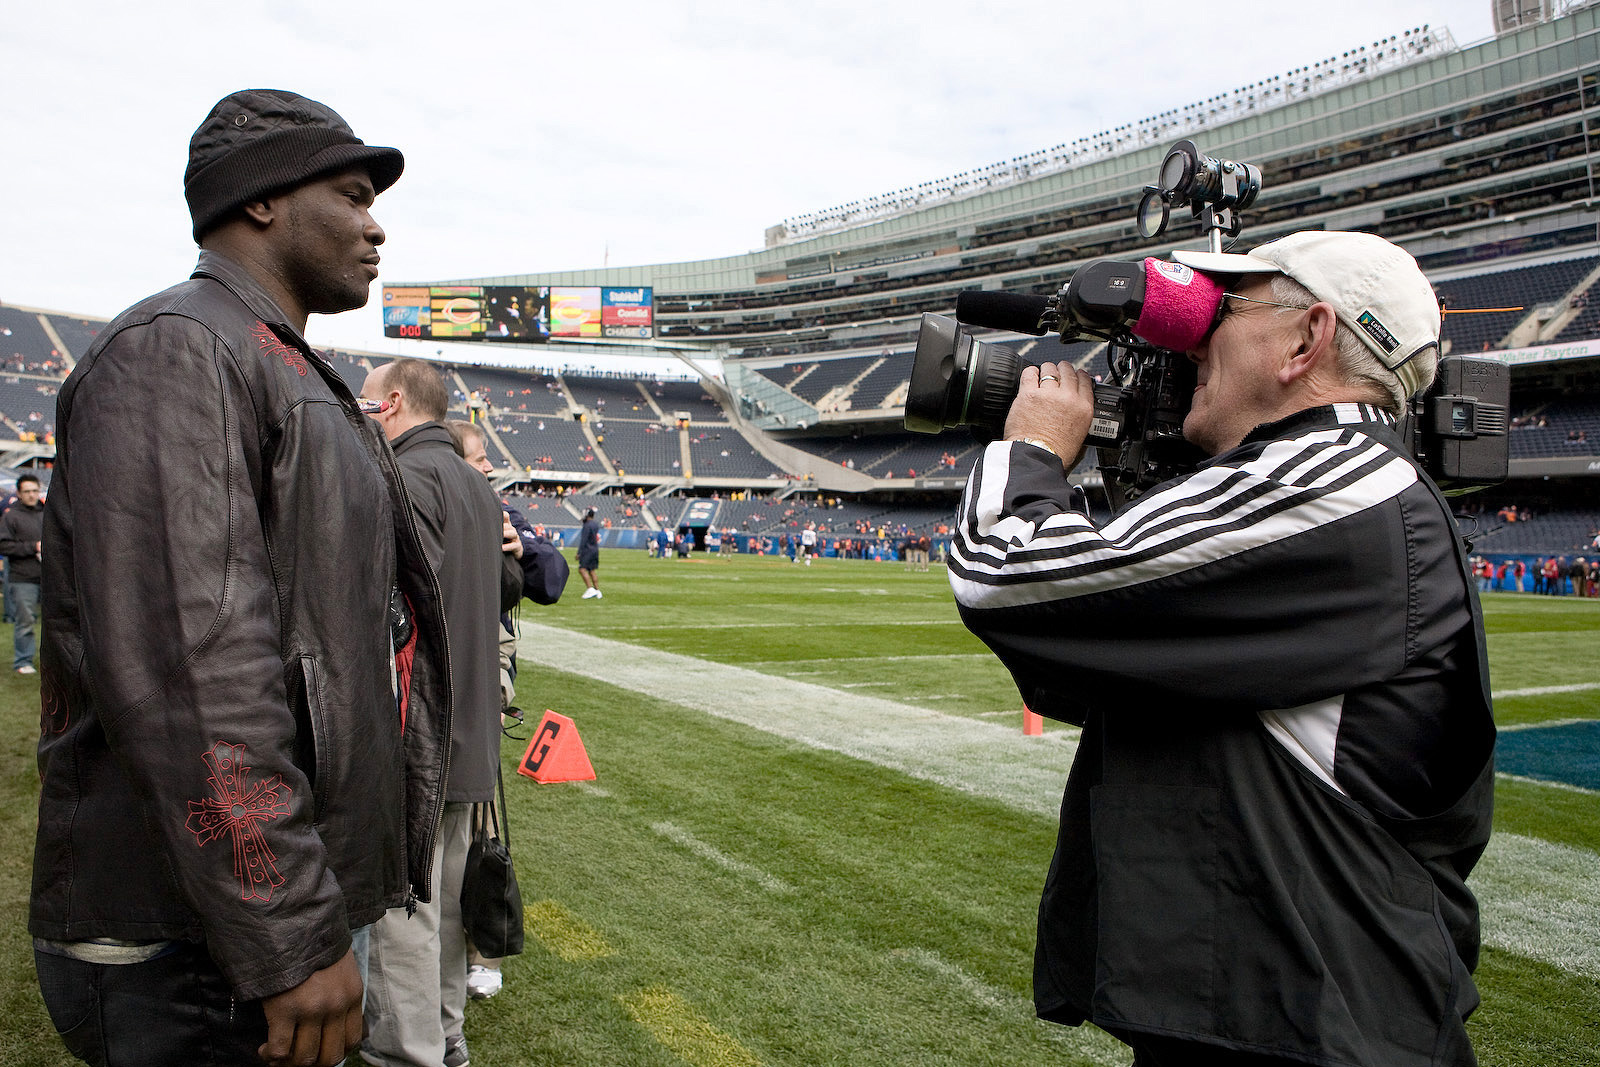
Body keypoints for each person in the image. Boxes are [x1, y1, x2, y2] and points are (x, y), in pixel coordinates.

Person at [948, 231, 1495, 1066]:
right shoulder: (1332, 479)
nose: (1196, 340)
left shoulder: (1331, 479)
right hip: (1287, 1010)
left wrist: (1031, 449)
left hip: (1323, 1021)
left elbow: (1002, 572)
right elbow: (1100, 671)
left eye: (1223, 311)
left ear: (1306, 340)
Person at [32, 89, 452, 1067]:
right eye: (351, 193)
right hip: (201, 937)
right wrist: (288, 924)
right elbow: (192, 669)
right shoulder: (179, 348)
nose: (374, 220)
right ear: (261, 199)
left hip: (248, 918)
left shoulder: (276, 359)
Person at [359, 361, 521, 1067]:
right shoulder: (476, 486)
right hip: (470, 734)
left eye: (367, 403)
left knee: (403, 913)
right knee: (447, 904)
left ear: (392, 404)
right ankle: (446, 1033)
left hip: (417, 738)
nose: (361, 416)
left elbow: (392, 621)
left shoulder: (409, 476)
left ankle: (411, 1050)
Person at [0, 473, 45, 673]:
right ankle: (23, 661)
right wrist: (33, 547)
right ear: (19, 493)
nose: (31, 495)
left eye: (34, 491)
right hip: (22, 577)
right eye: (27, 491)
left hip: (48, 577)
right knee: (25, 621)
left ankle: (50, 662)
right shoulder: (11, 516)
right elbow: (4, 546)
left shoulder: (46, 513)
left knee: (54, 622)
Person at [578, 508, 602, 597]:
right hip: (595, 549)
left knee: (582, 569)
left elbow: (584, 540)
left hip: (587, 549)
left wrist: (579, 552)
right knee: (592, 570)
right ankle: (597, 590)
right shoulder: (595, 524)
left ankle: (590, 589)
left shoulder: (587, 525)